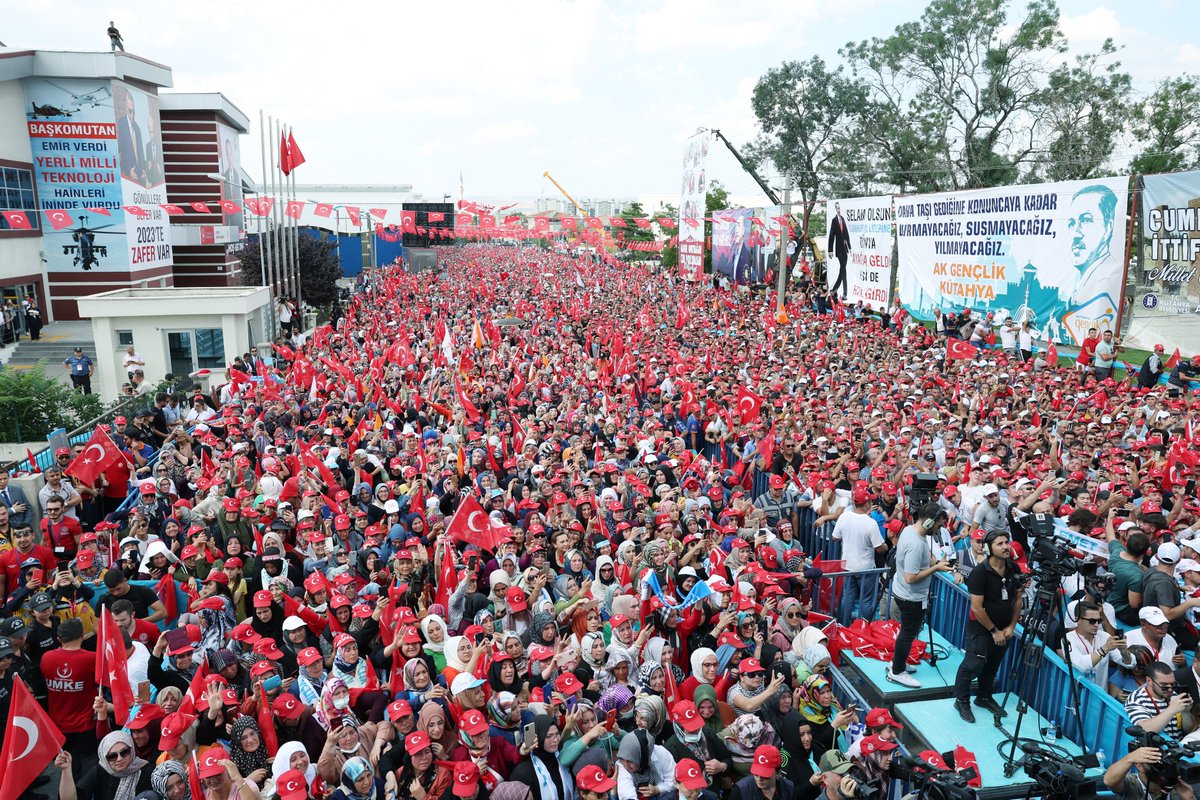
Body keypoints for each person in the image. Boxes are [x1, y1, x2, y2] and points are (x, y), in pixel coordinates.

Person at [953, 531, 1022, 723]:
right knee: (972, 665)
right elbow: (976, 607)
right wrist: (994, 631)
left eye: (1007, 542)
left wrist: (1011, 626)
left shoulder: (1013, 567)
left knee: (992, 666)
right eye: (1000, 543)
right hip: (982, 630)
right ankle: (961, 700)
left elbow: (1018, 599)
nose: (1006, 546)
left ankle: (983, 697)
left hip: (1005, 629)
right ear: (989, 548)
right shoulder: (979, 572)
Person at [887, 503, 954, 688]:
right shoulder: (916, 542)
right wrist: (936, 568)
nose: (940, 529)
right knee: (908, 633)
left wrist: (937, 561)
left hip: (905, 593)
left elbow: (927, 554)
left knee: (906, 632)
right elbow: (910, 577)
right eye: (939, 525)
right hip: (911, 597)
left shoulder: (912, 530)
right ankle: (897, 671)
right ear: (929, 522)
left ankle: (897, 663)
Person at [832, 487, 886, 625]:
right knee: (866, 600)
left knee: (847, 597)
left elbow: (835, 537)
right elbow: (880, 548)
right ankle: (862, 628)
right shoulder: (870, 522)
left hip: (849, 566)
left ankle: (842, 626)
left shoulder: (844, 516)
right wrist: (886, 546)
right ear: (867, 503)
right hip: (865, 569)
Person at [54, 730, 154, 800]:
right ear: (104, 758)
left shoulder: (145, 771)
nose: (119, 759)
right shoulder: (100, 770)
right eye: (112, 756)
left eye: (124, 752)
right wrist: (66, 769)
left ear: (131, 751)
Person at [827, 204, 851, 301]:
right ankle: (835, 288)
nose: (838, 209)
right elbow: (831, 235)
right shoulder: (834, 220)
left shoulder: (842, 219)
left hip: (845, 248)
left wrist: (849, 246)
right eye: (837, 208)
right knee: (842, 268)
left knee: (844, 270)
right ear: (835, 209)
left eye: (839, 207)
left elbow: (846, 233)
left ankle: (845, 294)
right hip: (839, 248)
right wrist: (830, 250)